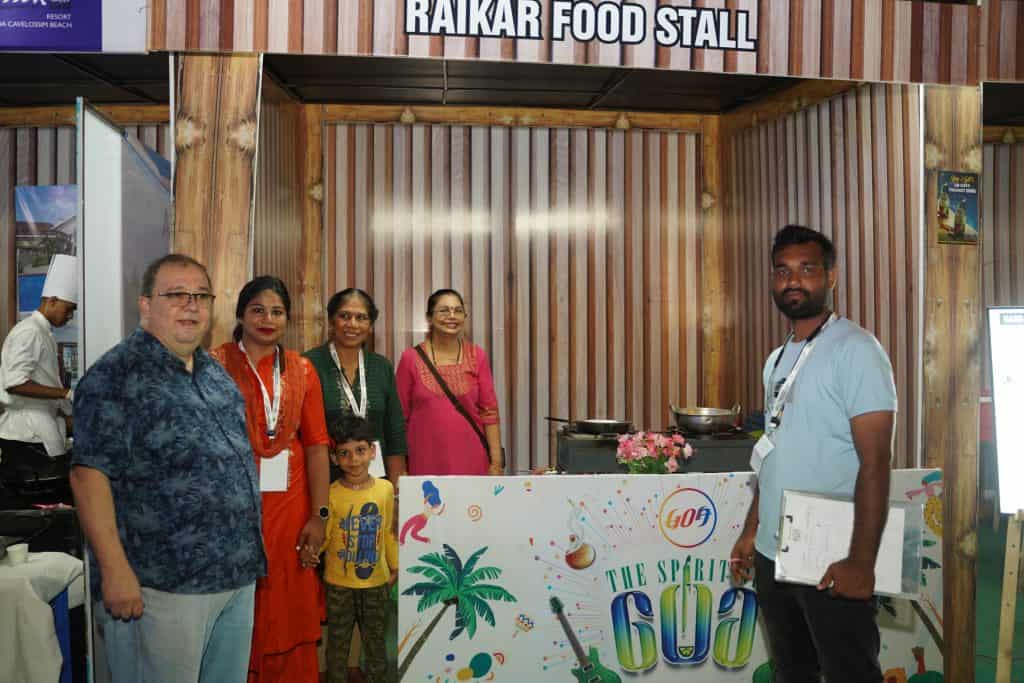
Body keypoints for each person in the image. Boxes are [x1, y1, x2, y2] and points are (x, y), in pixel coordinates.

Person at [70, 254, 266, 683]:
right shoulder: (114, 376)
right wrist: (116, 571)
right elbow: (88, 476)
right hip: (161, 586)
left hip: (233, 577)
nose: (191, 305)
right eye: (176, 295)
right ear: (145, 304)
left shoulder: (216, 375)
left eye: (200, 296)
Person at [730, 225, 897, 683]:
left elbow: (876, 462)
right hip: (774, 550)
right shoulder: (776, 358)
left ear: (831, 277)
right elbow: (775, 453)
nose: (793, 281)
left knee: (849, 671)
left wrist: (860, 561)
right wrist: (752, 530)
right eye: (782, 271)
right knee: (792, 670)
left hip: (831, 551)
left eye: (807, 269)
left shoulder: (857, 351)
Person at [210, 276, 330, 683]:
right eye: (257, 309)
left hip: (291, 505)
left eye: (277, 311)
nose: (267, 318)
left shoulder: (302, 369)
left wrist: (320, 515)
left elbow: (316, 444)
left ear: (288, 320)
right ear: (241, 315)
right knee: (243, 601)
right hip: (232, 504)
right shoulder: (215, 363)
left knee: (289, 599)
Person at [319, 416, 398, 683]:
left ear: (373, 451)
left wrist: (395, 565)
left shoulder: (386, 490)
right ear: (334, 458)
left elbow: (388, 530)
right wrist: (309, 551)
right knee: (338, 647)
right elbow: (324, 530)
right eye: (345, 453)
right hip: (338, 585)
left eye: (360, 451)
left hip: (376, 584)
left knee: (376, 644)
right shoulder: (328, 494)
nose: (354, 460)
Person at [305, 288, 408, 487]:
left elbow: (395, 431)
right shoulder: (309, 364)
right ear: (332, 321)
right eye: (344, 316)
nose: (352, 324)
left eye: (361, 317)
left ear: (370, 326)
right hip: (325, 482)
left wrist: (396, 490)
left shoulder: (382, 366)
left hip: (377, 482)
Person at [396, 289, 503, 476]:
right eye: (444, 310)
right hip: (424, 459)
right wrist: (399, 469)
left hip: (472, 459)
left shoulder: (477, 356)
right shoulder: (410, 358)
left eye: (458, 310)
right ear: (429, 318)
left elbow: (490, 413)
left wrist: (495, 464)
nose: (452, 316)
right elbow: (398, 419)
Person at [0, 254, 77, 492]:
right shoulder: (29, 332)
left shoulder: (44, 333)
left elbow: (43, 379)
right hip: (25, 436)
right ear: (52, 301)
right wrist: (65, 393)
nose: (70, 316)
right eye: (68, 309)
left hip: (40, 431)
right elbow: (15, 383)